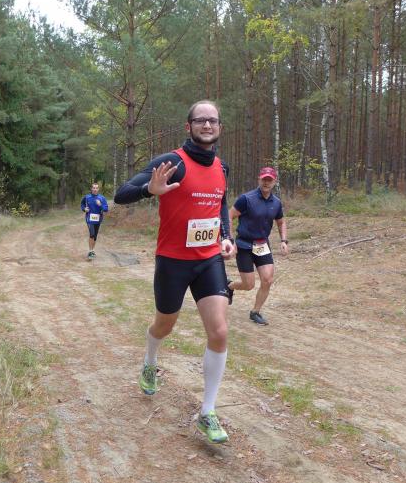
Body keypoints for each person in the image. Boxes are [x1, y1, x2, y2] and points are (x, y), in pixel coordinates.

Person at [114, 100, 236, 444]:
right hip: (173, 261)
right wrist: (148, 190)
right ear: (189, 126)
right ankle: (150, 360)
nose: (207, 125)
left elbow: (220, 204)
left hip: (209, 259)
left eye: (213, 120)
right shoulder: (172, 163)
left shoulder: (222, 167)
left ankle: (207, 411)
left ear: (219, 127)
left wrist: (226, 237)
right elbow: (121, 194)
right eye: (201, 120)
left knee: (219, 331)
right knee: (164, 325)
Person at [227, 167, 288, 326]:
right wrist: (230, 240)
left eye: (270, 180)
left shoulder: (276, 203)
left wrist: (284, 240)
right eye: (264, 179)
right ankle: (229, 286)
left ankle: (255, 312)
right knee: (248, 285)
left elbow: (281, 222)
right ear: (259, 179)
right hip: (244, 245)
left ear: (274, 182)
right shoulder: (246, 199)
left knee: (267, 280)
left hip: (262, 244)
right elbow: (229, 216)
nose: (266, 182)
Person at [81, 183, 109, 259]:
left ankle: (93, 250)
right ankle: (90, 252)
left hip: (98, 219)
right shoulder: (87, 197)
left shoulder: (102, 198)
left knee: (95, 236)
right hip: (89, 219)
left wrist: (100, 205)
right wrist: (84, 209)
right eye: (93, 188)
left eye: (96, 188)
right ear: (91, 189)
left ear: (98, 189)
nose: (95, 189)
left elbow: (106, 209)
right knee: (92, 234)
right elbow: (82, 204)